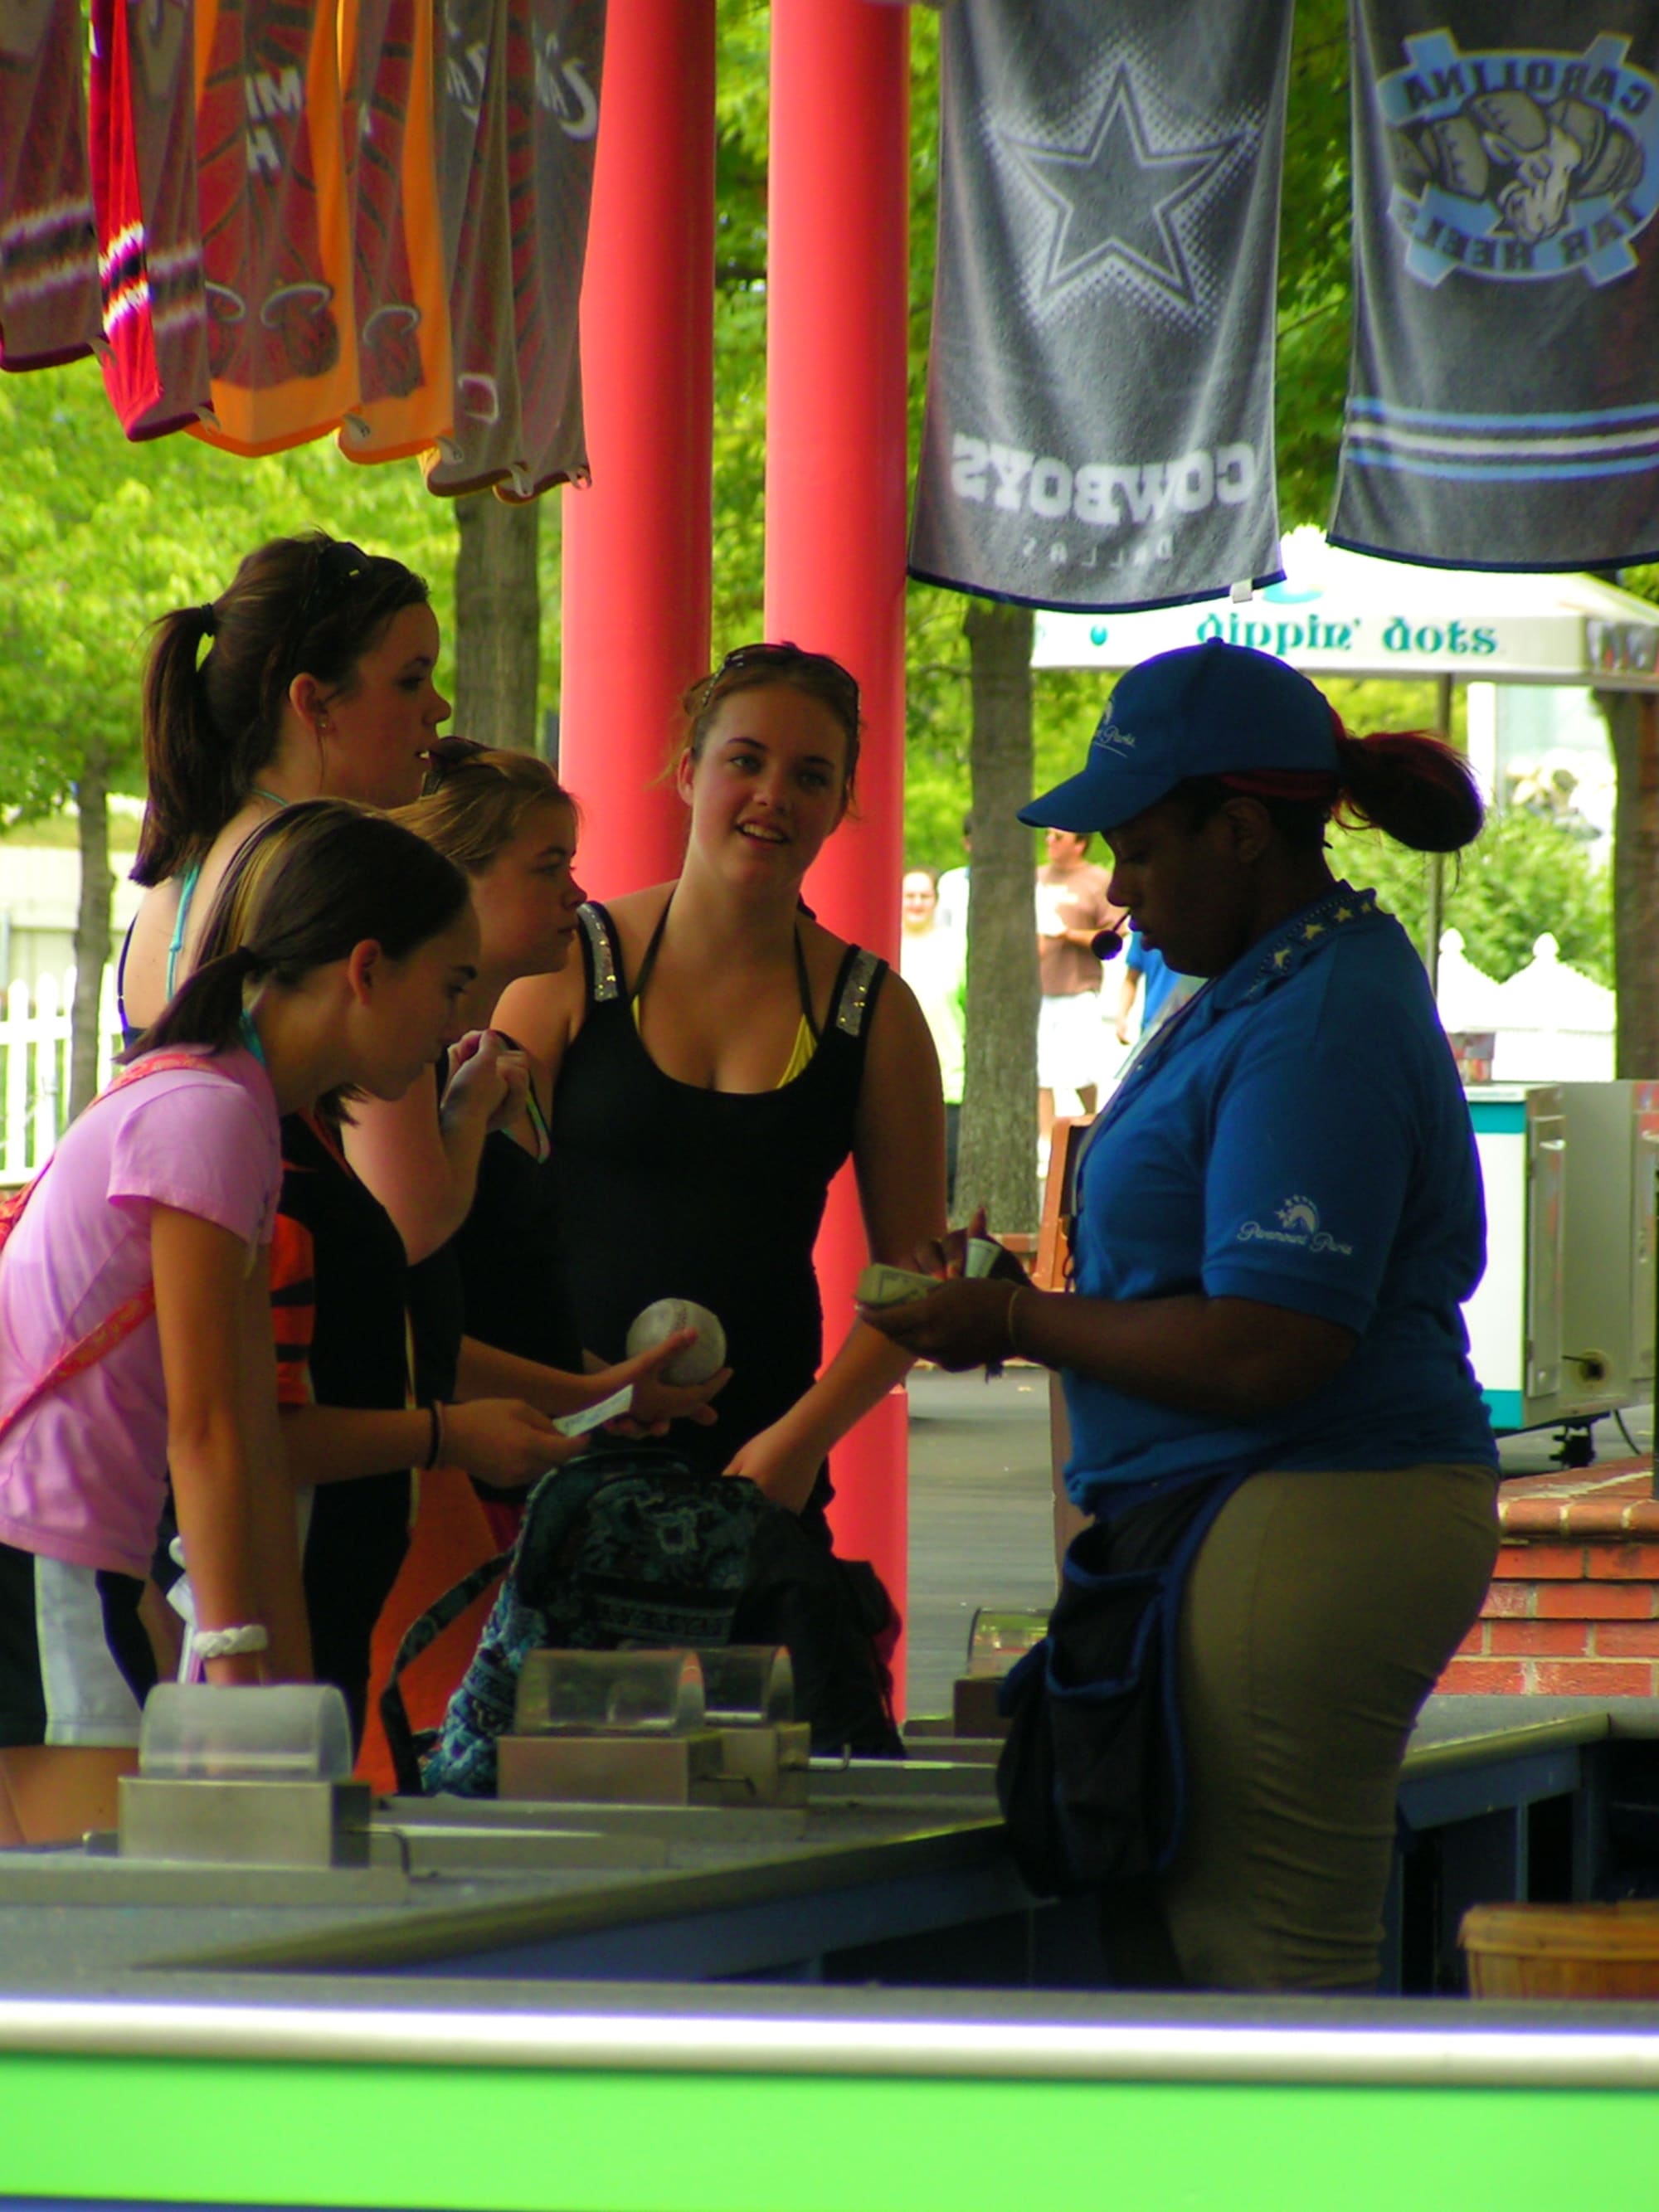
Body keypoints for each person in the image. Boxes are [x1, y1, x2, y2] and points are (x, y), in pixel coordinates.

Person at [864, 639, 1500, 1994]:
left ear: (1241, 831)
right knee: (1201, 1959)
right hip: (1253, 1513)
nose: (1119, 895)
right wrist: (1025, 1300)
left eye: (1142, 852)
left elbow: (1274, 1341)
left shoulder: (1319, 1016)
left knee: (1268, 1971)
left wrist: (1020, 1323)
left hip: (1305, 1504)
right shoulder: (1274, 986)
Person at [0, 800, 478, 1843]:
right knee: (98, 1922)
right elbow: (209, 1428)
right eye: (449, 986)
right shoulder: (209, 1115)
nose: (457, 1025)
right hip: (39, 1544)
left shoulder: (237, 1110)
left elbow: (256, 1433)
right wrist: (238, 1651)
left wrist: (279, 1684)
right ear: (365, 968)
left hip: (64, 1549)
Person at [497, 642, 947, 1524]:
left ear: (838, 807)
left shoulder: (872, 1011)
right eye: (745, 761)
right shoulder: (567, 966)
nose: (773, 795)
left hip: (758, 1470)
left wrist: (802, 1439)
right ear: (688, 773)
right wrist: (567, 1382)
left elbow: (911, 1280)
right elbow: (476, 1231)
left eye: (810, 776)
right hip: (555, 1452)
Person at [1034, 825, 1122, 1141]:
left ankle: (1092, 1130)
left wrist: (1067, 934)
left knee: (1082, 1069)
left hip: (1078, 988)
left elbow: (1114, 938)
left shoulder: (1097, 881)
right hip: (1039, 989)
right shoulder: (1036, 876)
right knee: (1041, 1072)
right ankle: (1045, 1143)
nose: (1050, 842)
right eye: (1048, 836)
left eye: (1059, 837)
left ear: (1080, 844)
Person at [899, 868, 966, 1209]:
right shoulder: (885, 941)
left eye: (924, 896)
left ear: (936, 901)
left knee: (946, 1184)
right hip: (896, 1081)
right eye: (910, 895)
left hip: (949, 1083)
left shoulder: (956, 946)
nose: (917, 903)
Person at [1115, 927, 1198, 1048]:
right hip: (1153, 1022)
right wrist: (1122, 1016)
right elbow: (1131, 979)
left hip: (1194, 1022)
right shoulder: (1143, 930)